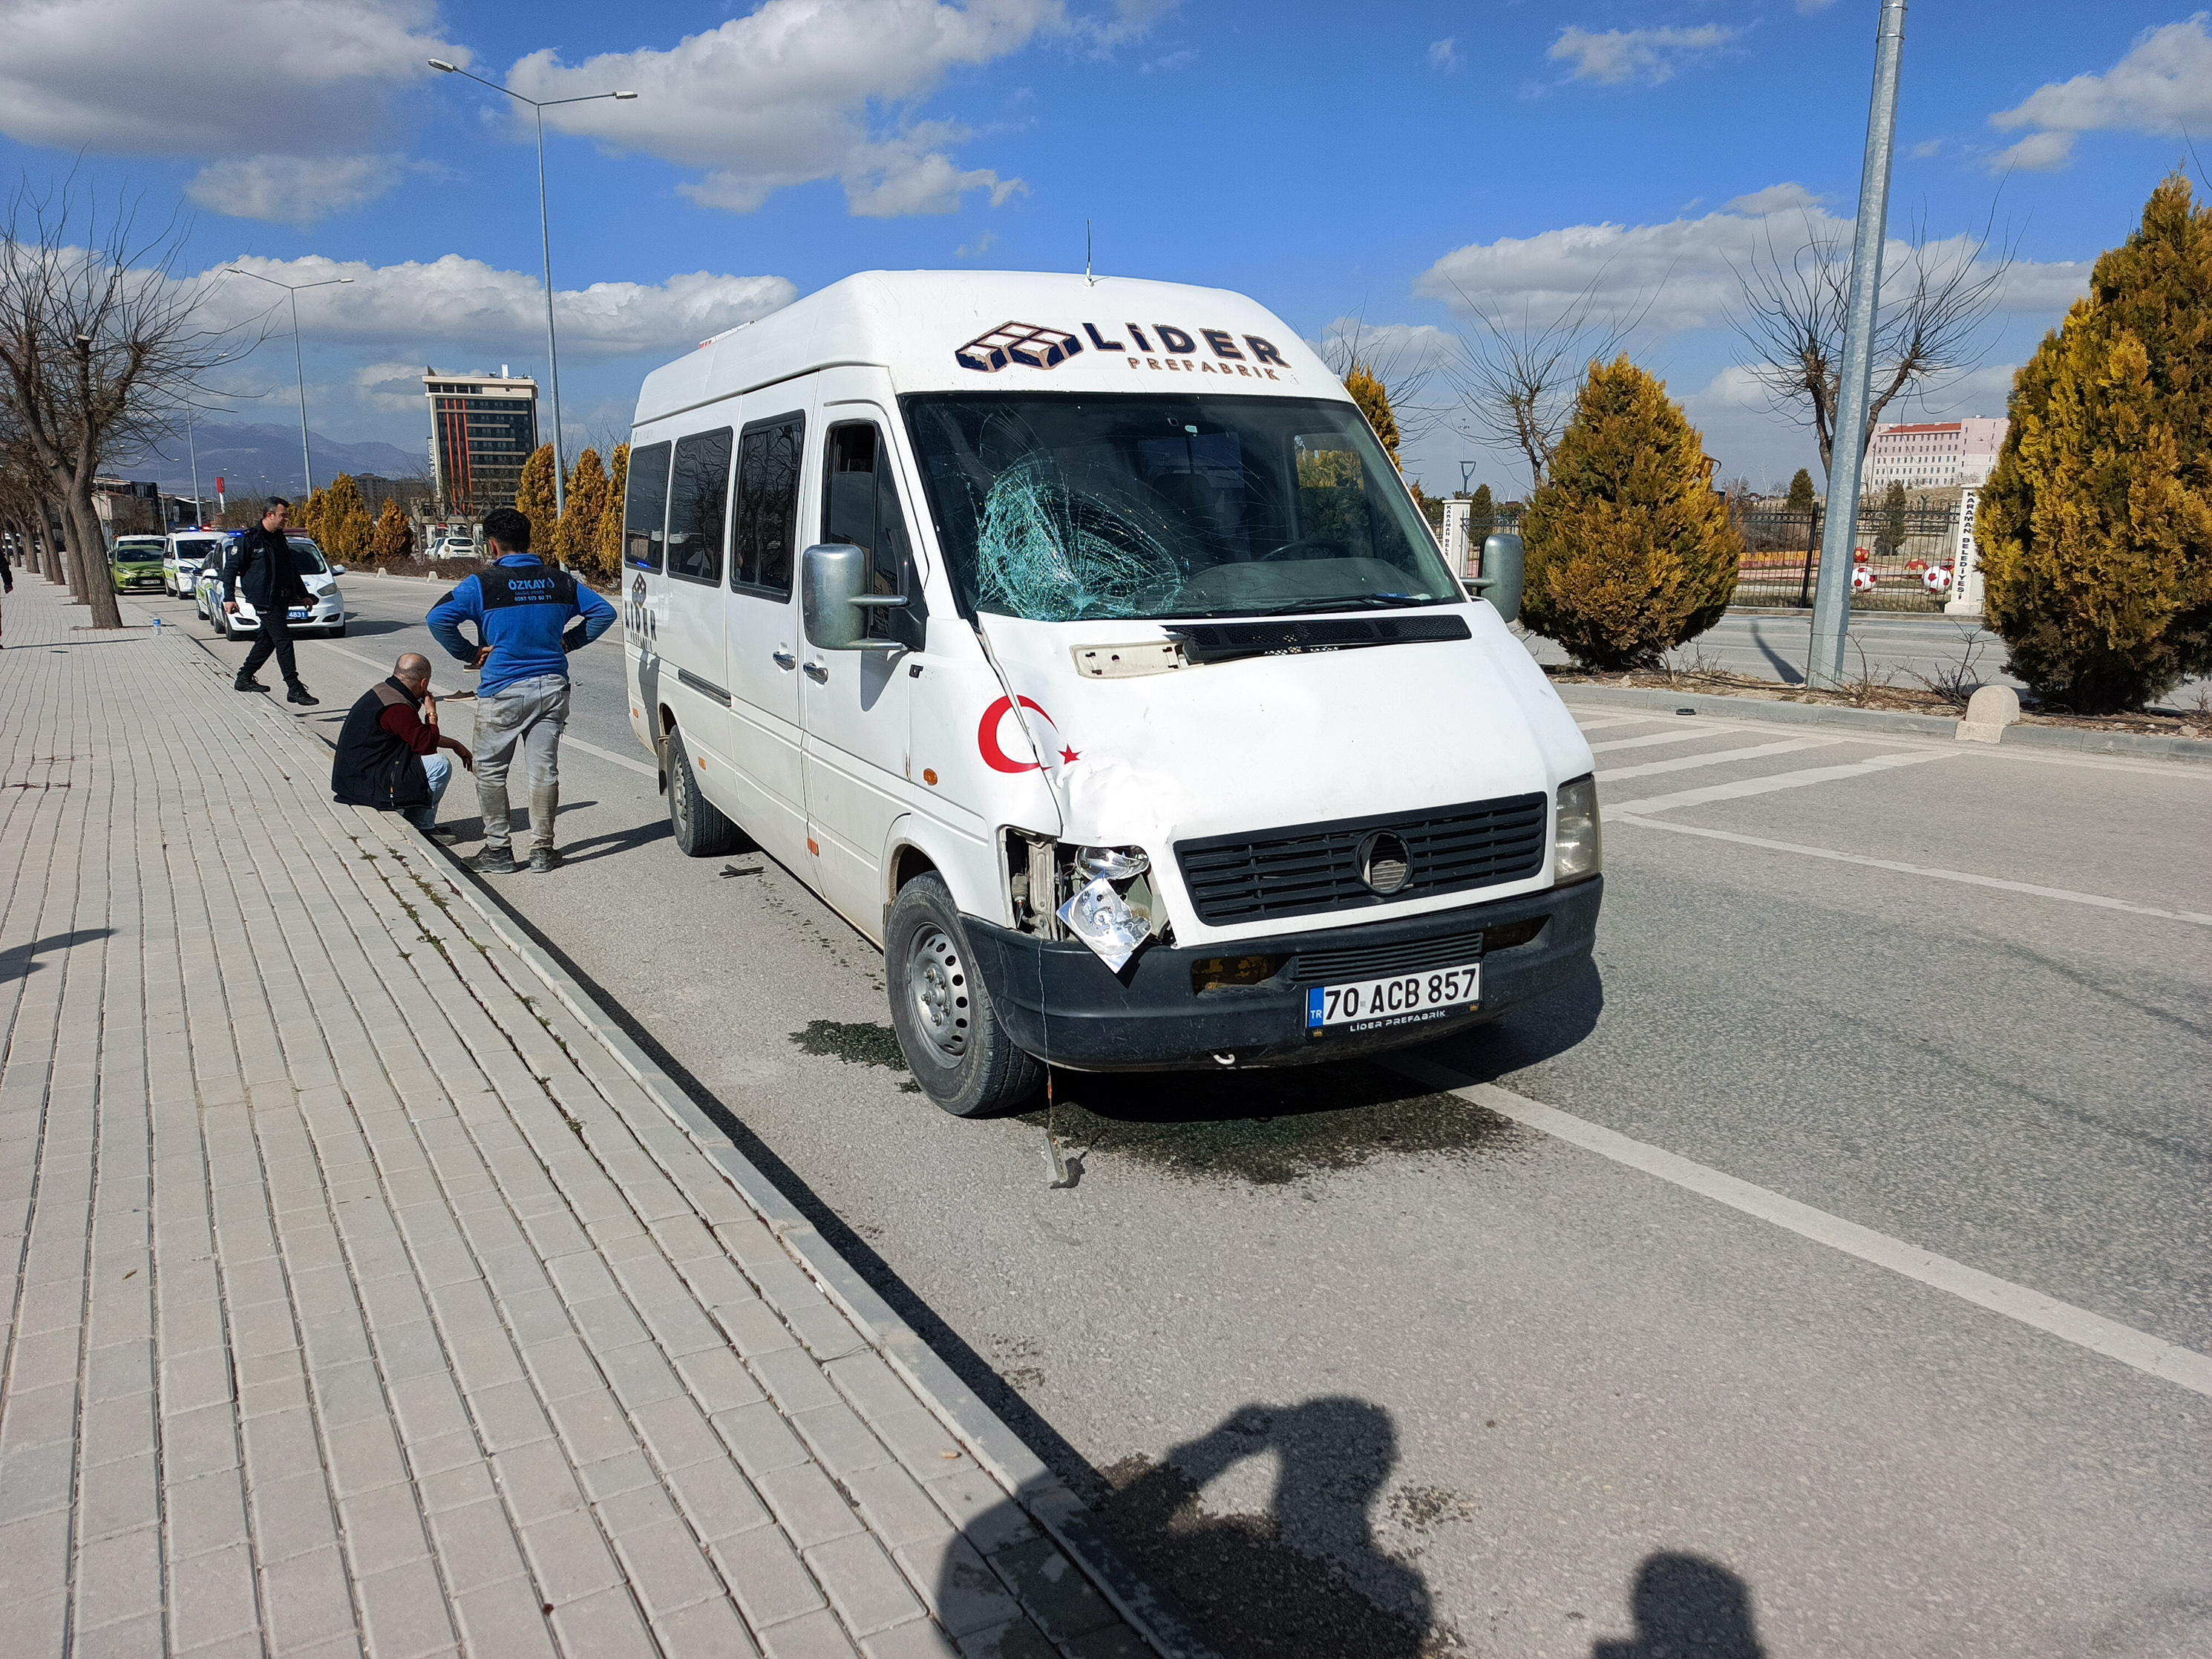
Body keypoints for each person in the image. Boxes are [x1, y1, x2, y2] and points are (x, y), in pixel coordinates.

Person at [427, 505, 615, 874]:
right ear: (529, 539)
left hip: (503, 691)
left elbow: (438, 618)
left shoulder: (483, 584)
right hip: (552, 687)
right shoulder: (560, 581)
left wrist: (470, 653)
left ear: (492, 545)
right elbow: (605, 613)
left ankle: (498, 850)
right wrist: (568, 642)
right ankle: (543, 850)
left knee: (491, 772)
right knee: (544, 771)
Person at [330, 652, 474, 835]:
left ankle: (414, 814)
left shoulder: (385, 690)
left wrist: (454, 744)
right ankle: (422, 825)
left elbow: (414, 733)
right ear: (424, 683)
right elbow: (426, 745)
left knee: (422, 761)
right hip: (367, 784)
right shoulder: (397, 706)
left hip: (357, 777)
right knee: (440, 765)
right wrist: (432, 713)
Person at [223, 497, 318, 704]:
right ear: (270, 515)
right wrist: (229, 598)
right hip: (264, 600)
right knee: (283, 640)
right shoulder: (250, 540)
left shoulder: (279, 538)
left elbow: (291, 569)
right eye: (283, 515)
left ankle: (244, 677)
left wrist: (304, 594)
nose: (286, 519)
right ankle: (294, 688)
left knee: (267, 641)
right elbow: (230, 570)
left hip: (282, 598)